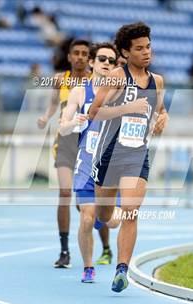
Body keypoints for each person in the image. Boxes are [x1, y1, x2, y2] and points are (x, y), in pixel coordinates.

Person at [88, 22, 168, 293]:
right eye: (139, 49)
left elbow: (161, 109)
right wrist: (126, 107)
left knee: (132, 213)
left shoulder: (157, 81)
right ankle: (112, 218)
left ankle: (122, 269)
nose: (146, 53)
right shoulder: (117, 78)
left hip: (137, 154)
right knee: (105, 215)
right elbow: (94, 113)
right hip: (109, 153)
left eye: (148, 47)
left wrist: (162, 120)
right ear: (125, 51)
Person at [37, 39, 113, 268]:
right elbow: (53, 104)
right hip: (65, 143)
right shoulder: (60, 80)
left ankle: (106, 248)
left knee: (88, 206)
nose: (79, 57)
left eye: (83, 53)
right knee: (64, 192)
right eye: (75, 53)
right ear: (69, 57)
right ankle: (64, 251)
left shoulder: (96, 81)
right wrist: (46, 117)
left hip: (88, 145)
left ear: (89, 60)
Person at [59, 42, 122, 282]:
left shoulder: (120, 92)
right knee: (86, 217)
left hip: (111, 167)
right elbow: (63, 128)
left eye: (111, 61)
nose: (107, 63)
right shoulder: (79, 92)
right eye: (102, 59)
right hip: (86, 164)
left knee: (113, 221)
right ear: (92, 62)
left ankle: (100, 217)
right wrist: (75, 122)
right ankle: (88, 268)